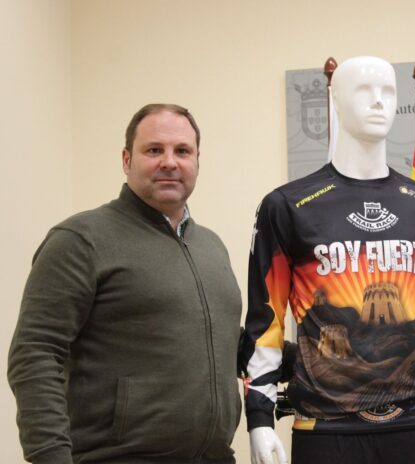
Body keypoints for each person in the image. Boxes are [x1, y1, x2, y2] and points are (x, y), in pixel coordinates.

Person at [240, 56, 415, 464]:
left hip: (413, 425)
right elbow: (266, 320)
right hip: (325, 429)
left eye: (388, 91)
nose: (379, 101)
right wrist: (259, 417)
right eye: (364, 90)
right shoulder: (288, 205)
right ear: (336, 101)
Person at [7, 103, 243, 464]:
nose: (169, 162)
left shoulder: (211, 246)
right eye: (154, 150)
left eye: (182, 151)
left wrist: (305, 354)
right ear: (126, 159)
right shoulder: (81, 239)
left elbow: (219, 340)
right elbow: (35, 354)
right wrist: (50, 457)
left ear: (197, 161)